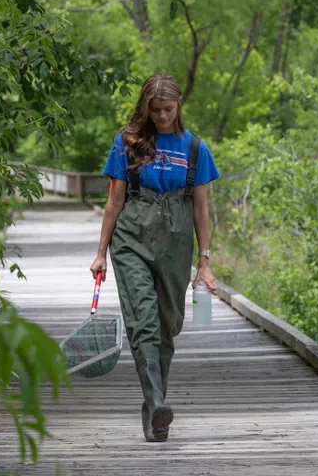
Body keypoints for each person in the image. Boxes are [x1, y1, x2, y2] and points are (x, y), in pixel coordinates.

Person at [90, 73, 220, 442]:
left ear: (178, 104)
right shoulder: (127, 143)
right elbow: (114, 200)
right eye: (155, 110)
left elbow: (200, 209)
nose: (162, 117)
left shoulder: (195, 148)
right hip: (132, 235)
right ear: (145, 108)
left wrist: (205, 262)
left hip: (177, 241)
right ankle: (158, 401)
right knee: (143, 321)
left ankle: (152, 410)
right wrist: (101, 252)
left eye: (168, 109)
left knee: (167, 325)